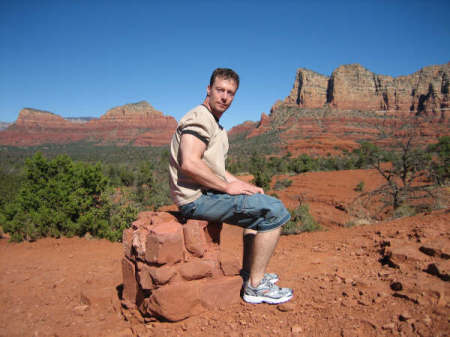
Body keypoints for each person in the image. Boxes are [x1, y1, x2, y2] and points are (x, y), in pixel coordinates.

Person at [168, 68, 293, 304]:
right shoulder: (200, 118)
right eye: (220, 90)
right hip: (196, 200)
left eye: (230, 93)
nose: (225, 97)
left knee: (259, 208)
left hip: (206, 194)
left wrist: (241, 184)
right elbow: (190, 164)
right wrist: (227, 188)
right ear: (208, 89)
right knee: (275, 210)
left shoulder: (214, 124)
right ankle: (255, 287)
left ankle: (250, 274)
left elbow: (214, 169)